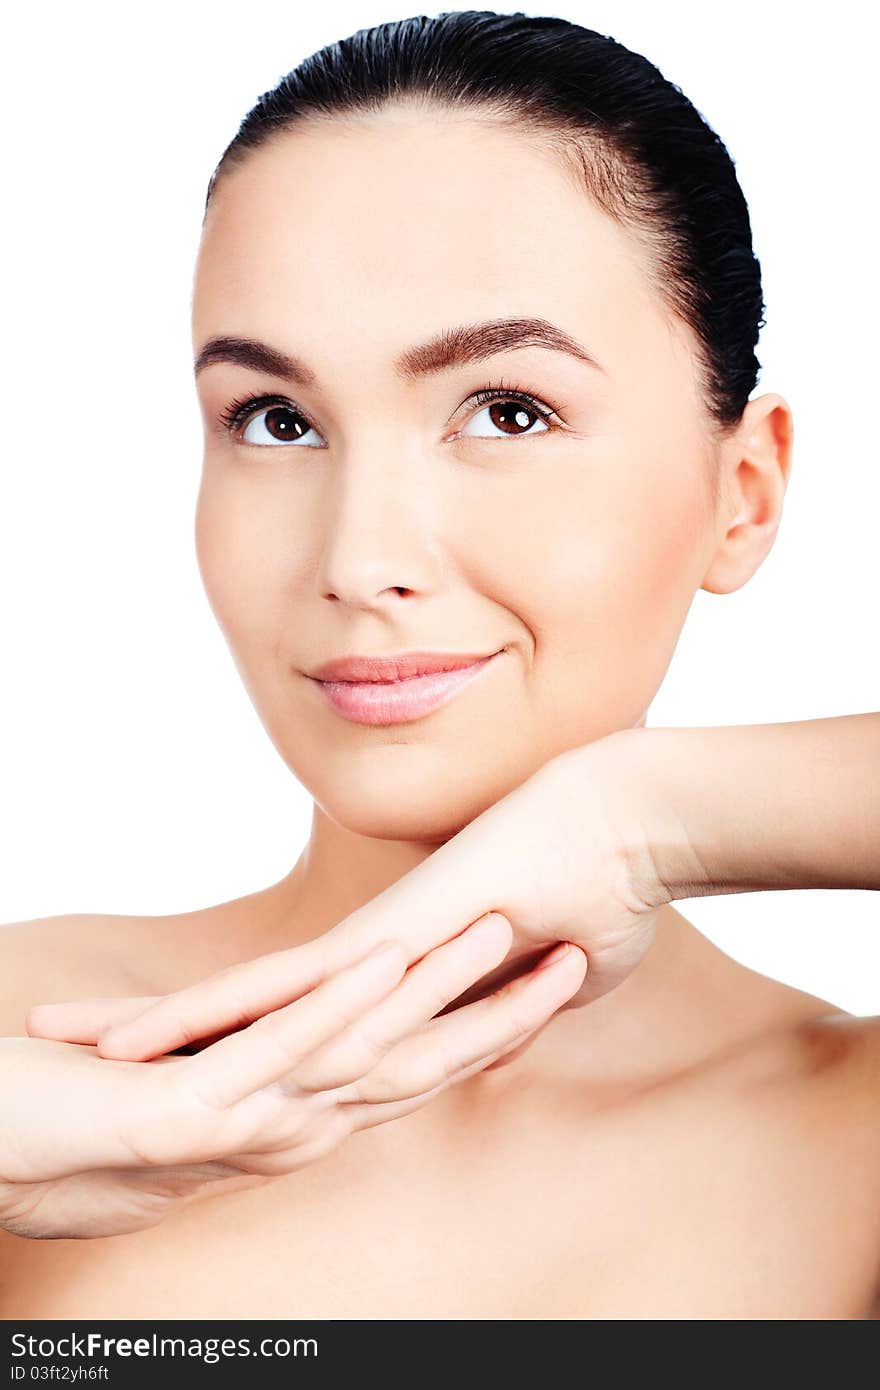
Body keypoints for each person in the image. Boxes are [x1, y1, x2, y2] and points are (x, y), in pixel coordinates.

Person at [1, 11, 878, 1320]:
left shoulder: (849, 1140)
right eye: (277, 418)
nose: (359, 556)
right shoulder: (29, 1047)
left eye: (507, 409)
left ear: (743, 494)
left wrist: (639, 822)